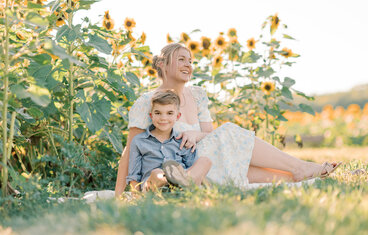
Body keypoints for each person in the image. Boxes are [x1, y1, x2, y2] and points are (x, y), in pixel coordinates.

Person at [115, 43, 341, 197]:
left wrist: (196, 135)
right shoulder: (148, 101)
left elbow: (211, 136)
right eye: (181, 59)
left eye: (190, 61)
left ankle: (311, 173)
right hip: (189, 165)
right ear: (163, 64)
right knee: (231, 132)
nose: (188, 65)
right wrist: (119, 195)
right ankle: (302, 167)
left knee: (270, 176)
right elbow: (130, 150)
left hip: (212, 157)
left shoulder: (197, 95)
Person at [126, 90, 212, 192]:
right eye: (158, 113)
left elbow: (191, 168)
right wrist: (136, 197)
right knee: (157, 173)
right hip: (153, 185)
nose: (163, 118)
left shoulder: (182, 140)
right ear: (151, 115)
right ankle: (184, 185)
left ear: (177, 116)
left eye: (169, 113)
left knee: (205, 161)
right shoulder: (139, 141)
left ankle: (183, 184)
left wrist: (195, 175)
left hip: (183, 179)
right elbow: (133, 175)